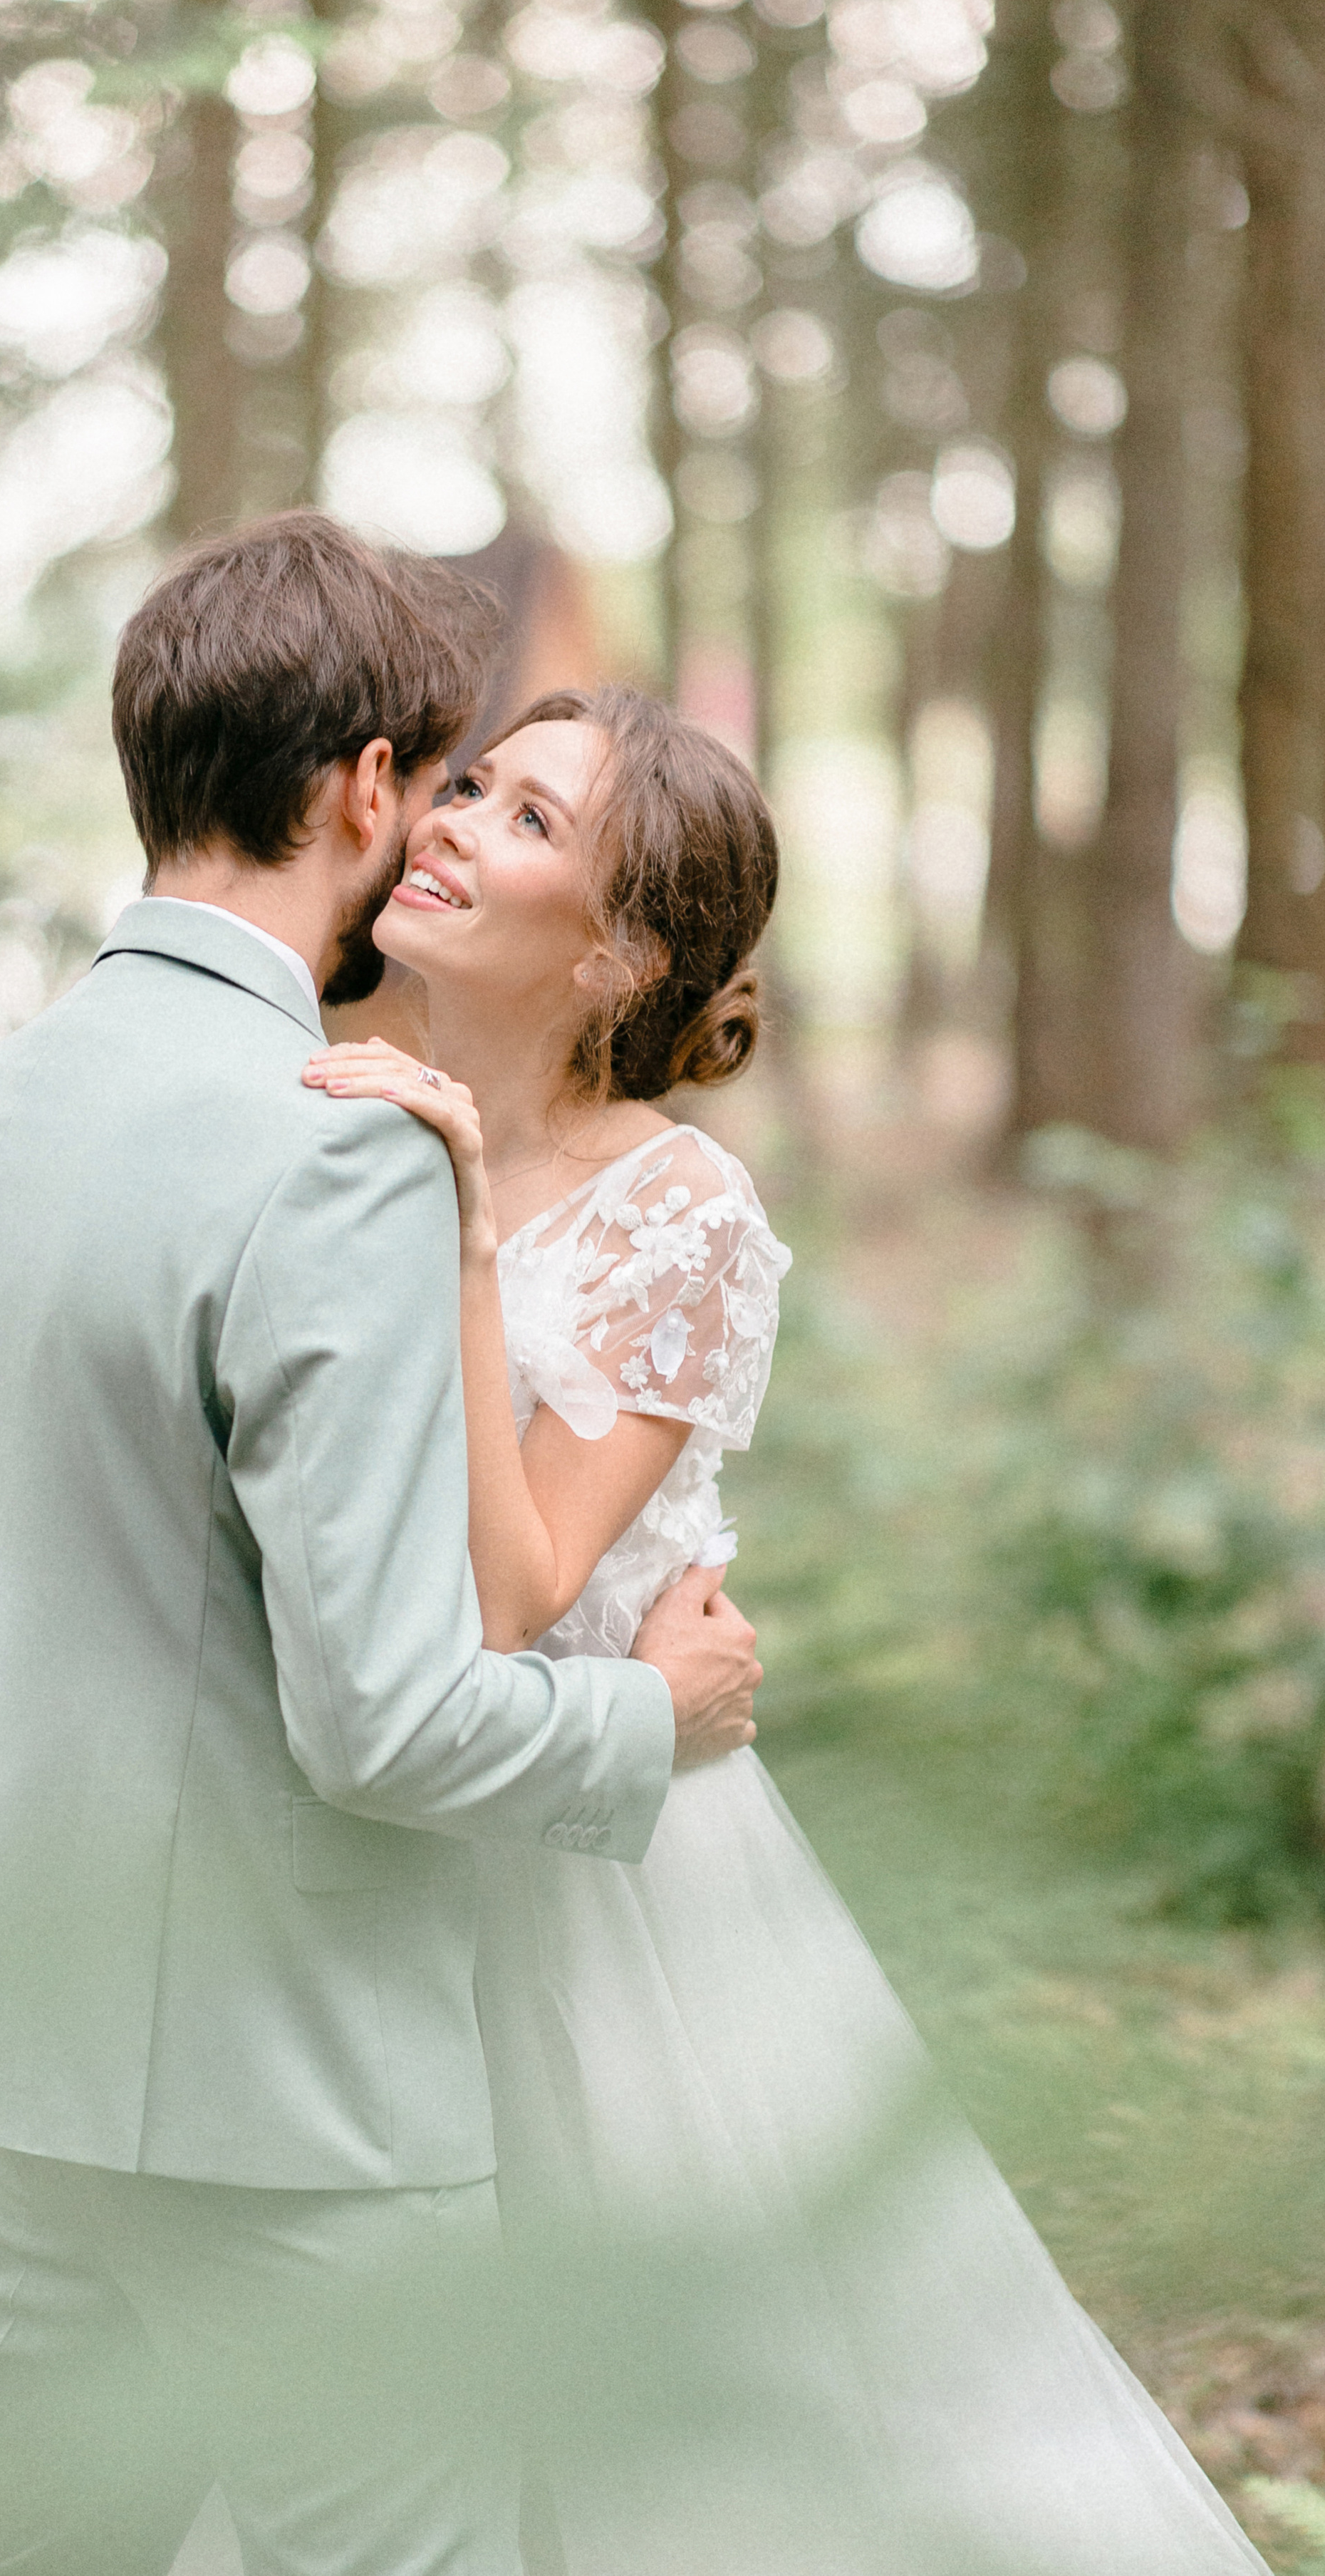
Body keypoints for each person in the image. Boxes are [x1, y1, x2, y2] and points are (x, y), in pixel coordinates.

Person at [0, 516, 766, 2576]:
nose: (443, 827)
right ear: (358, 789)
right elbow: (387, 1728)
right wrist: (646, 1716)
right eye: (440, 783)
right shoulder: (336, 1148)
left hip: (25, 2051)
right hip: (307, 2097)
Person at [304, 681, 1271, 2575]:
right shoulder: (317, 1095)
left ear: (617, 954)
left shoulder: (678, 1208)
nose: (448, 819)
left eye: (522, 823)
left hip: (593, 1868)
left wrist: (468, 1230)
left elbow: (514, 1598)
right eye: (476, 782)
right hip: (351, 1830)